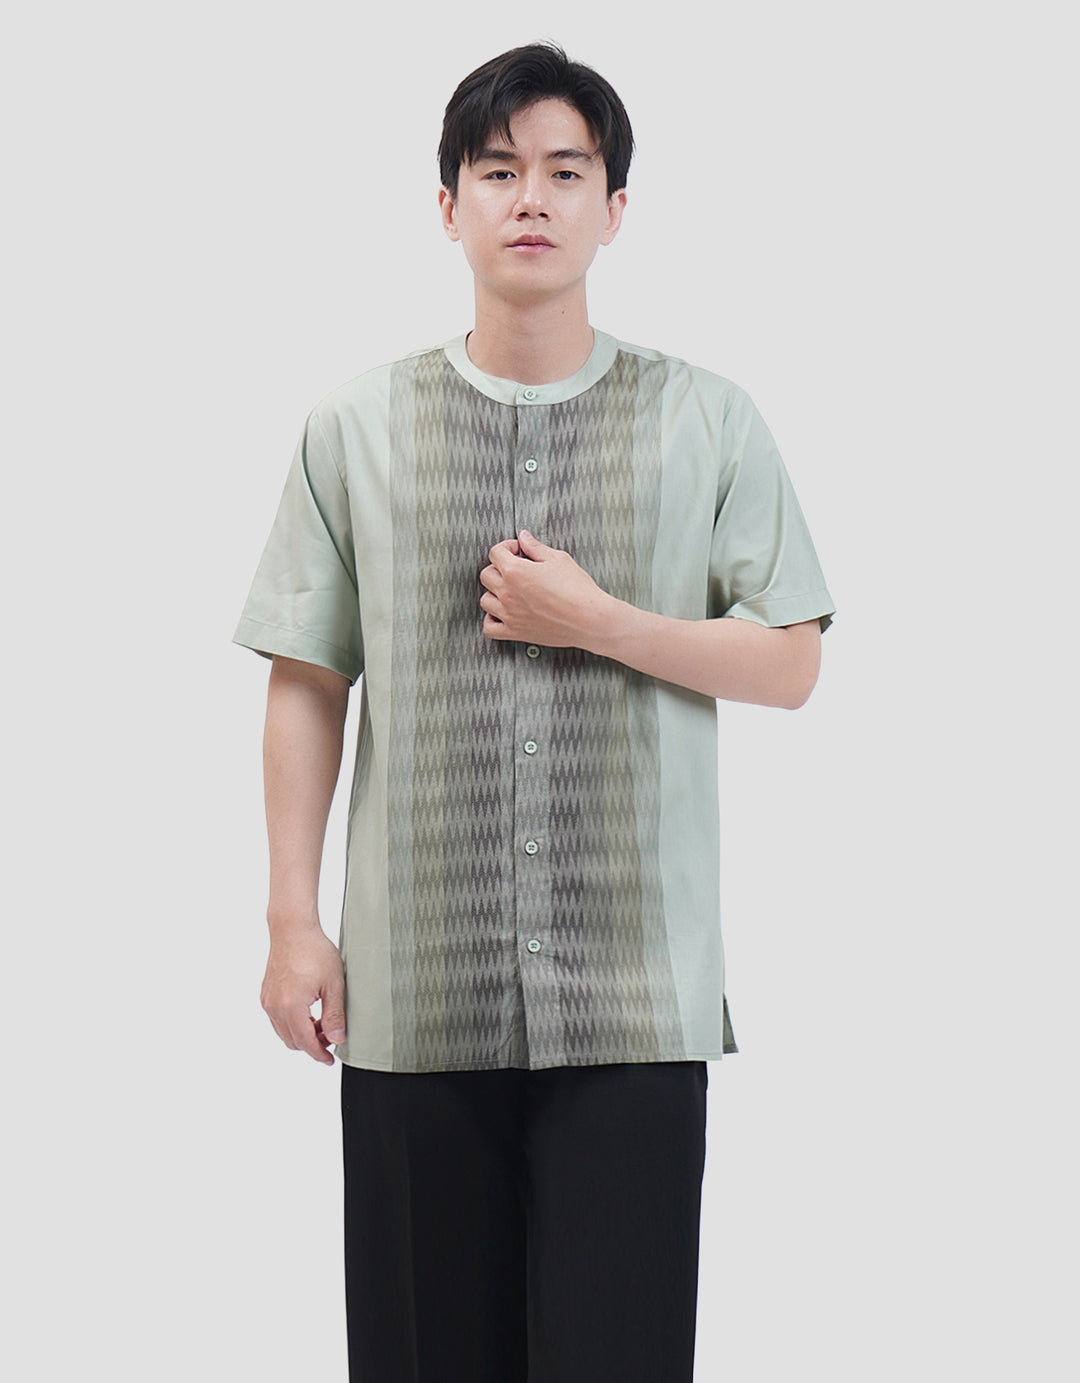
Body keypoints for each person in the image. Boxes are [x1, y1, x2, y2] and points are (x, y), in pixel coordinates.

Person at [233, 40, 834, 1383]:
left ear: (615, 209)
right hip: (415, 992)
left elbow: (790, 660)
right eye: (499, 170)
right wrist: (291, 922)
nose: (532, 199)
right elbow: (307, 675)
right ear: (447, 205)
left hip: (636, 999)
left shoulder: (707, 419)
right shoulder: (355, 426)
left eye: (567, 172)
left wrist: (599, 621)